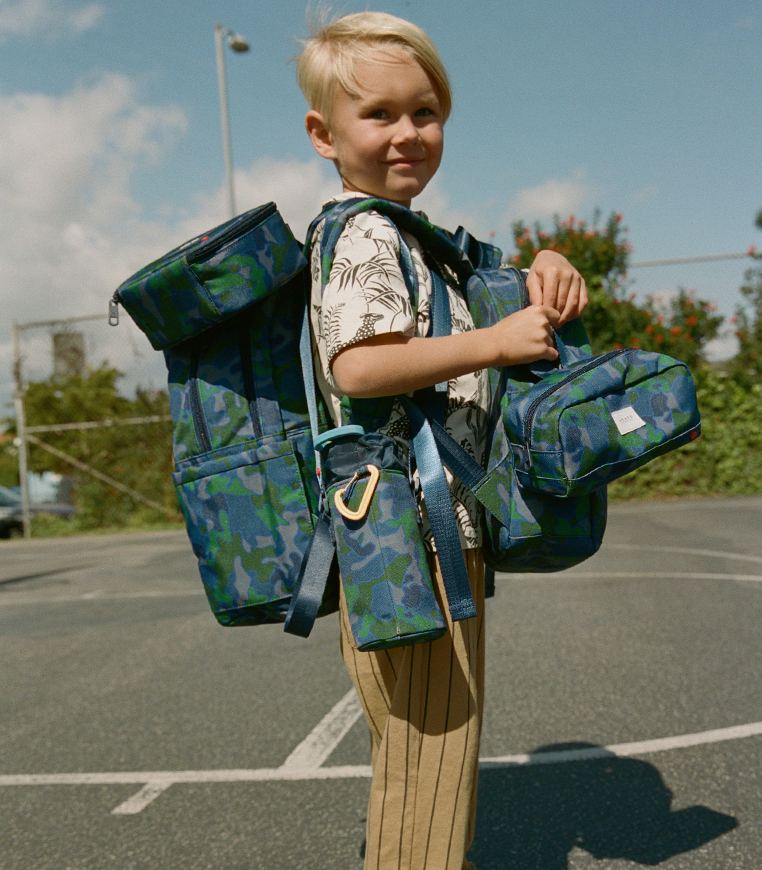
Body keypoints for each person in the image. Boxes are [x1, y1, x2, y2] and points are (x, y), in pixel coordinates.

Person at [296, 11, 587, 870]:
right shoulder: (364, 232)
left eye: (425, 113)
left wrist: (549, 257)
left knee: (422, 766)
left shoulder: (410, 238)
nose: (407, 134)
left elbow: (496, 290)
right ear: (324, 134)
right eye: (378, 114)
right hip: (405, 537)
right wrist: (496, 344)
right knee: (429, 775)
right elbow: (358, 366)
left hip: (426, 536)